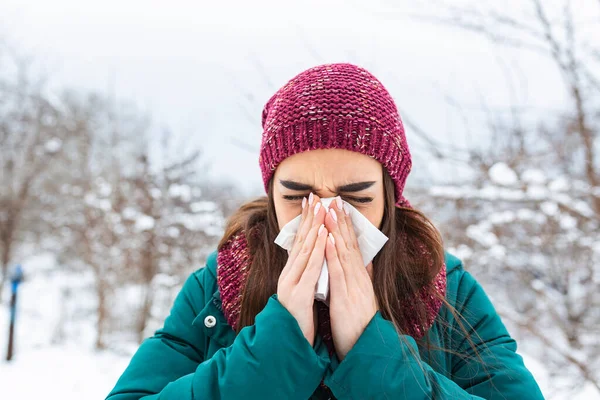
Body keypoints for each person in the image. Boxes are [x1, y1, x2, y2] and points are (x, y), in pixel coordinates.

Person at [106, 63, 544, 399]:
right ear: (271, 191)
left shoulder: (443, 288)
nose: (327, 218)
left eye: (356, 198)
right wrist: (273, 349)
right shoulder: (220, 286)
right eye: (298, 196)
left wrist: (375, 357)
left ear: (391, 196)